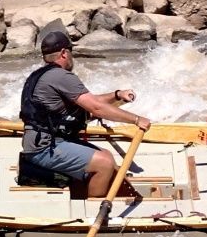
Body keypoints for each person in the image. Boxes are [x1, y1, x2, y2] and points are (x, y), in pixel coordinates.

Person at [19, 31, 151, 197]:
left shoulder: (41, 75)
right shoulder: (61, 76)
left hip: (46, 141)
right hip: (44, 148)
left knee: (105, 155)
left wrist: (117, 95)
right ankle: (92, 211)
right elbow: (96, 108)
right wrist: (137, 120)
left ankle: (83, 196)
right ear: (64, 53)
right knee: (105, 163)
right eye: (71, 52)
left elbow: (90, 102)